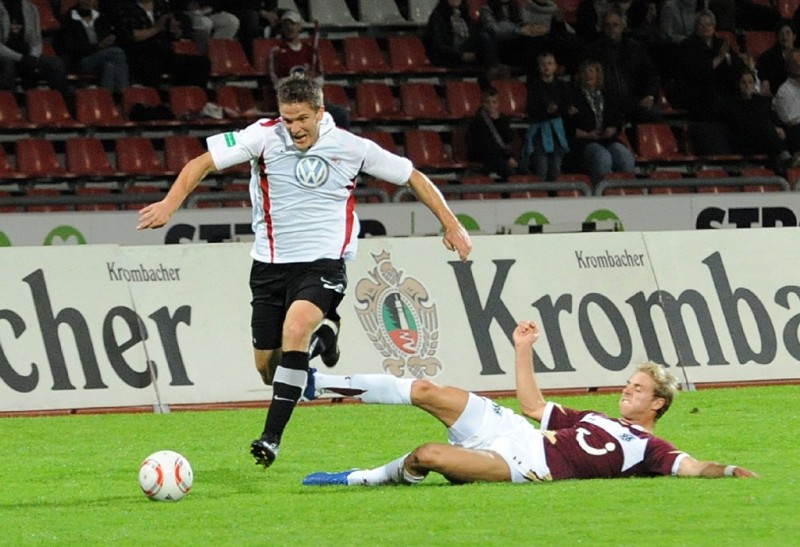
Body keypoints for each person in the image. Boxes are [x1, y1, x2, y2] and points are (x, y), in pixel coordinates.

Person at [136, 74, 473, 469]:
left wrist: (451, 224)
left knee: (295, 329)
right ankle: (325, 338)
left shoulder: (351, 147)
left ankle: (271, 437)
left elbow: (412, 176)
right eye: (287, 119)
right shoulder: (263, 136)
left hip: (323, 262)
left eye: (301, 119)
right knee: (269, 370)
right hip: (269, 266)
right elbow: (202, 163)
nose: (294, 128)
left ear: (319, 112)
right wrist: (169, 204)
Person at [301, 320, 758, 486]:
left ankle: (362, 478)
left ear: (658, 405)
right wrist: (523, 349)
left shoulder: (649, 449)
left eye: (637, 389)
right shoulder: (595, 416)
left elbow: (692, 467)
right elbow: (533, 406)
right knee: (426, 390)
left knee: (428, 455)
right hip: (514, 431)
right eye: (628, 384)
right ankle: (315, 383)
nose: (626, 391)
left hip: (524, 463)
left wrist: (728, 470)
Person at [268, 10, 350, 129]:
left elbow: (320, 79)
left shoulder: (310, 51)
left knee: (341, 114)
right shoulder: (277, 52)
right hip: (290, 102)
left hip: (310, 101)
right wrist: (301, 80)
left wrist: (311, 80)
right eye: (286, 25)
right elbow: (278, 84)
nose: (289, 28)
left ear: (299, 27)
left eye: (293, 24)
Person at [584, 9, 662, 123]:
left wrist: (650, 96)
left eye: (615, 25)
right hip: (604, 101)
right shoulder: (593, 51)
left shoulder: (635, 48)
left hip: (632, 99)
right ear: (602, 28)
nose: (611, 29)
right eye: (607, 25)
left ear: (623, 27)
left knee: (653, 113)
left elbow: (650, 74)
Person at [114, 0, 211, 88]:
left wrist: (176, 31)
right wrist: (156, 28)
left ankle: (190, 96)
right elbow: (130, 36)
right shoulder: (124, 7)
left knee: (200, 63)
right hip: (139, 54)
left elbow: (171, 31)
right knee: (152, 65)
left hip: (164, 53)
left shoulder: (162, 5)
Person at [567, 59, 635, 184]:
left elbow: (617, 120)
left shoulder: (608, 95)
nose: (588, 75)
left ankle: (626, 189)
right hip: (583, 142)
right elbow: (567, 126)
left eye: (591, 71)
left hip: (607, 139)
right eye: (585, 72)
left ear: (598, 75)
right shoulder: (572, 96)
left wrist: (613, 129)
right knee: (602, 157)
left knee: (625, 156)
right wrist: (587, 135)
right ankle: (603, 190)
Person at [56, 0, 129, 95]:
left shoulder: (100, 17)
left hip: (102, 57)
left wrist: (109, 40)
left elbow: (107, 36)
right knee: (118, 53)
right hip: (79, 61)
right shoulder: (68, 20)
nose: (88, 1)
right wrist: (99, 46)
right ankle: (124, 93)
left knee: (109, 66)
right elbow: (72, 48)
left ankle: (107, 98)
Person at [722, 68, 790, 169]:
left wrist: (780, 128)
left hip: (764, 137)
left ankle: (781, 162)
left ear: (754, 84)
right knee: (766, 125)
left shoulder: (761, 101)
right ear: (738, 84)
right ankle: (783, 156)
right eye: (743, 82)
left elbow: (773, 116)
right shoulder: (732, 103)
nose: (747, 85)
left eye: (750, 82)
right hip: (744, 140)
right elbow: (740, 123)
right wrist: (772, 129)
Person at [0, 0, 69, 96]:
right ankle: (7, 100)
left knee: (56, 64)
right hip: (5, 56)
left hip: (27, 55)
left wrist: (33, 56)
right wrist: (21, 58)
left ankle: (60, 100)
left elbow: (36, 40)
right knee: (8, 64)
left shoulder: (31, 9)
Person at [523, 51, 573, 180]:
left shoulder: (562, 86)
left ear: (555, 66)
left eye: (550, 63)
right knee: (542, 166)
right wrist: (547, 111)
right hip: (540, 131)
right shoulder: (534, 87)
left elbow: (568, 106)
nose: (546, 67)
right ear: (539, 67)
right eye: (543, 64)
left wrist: (558, 110)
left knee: (556, 166)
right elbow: (531, 109)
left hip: (557, 131)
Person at [424, 0, 502, 78]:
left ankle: (494, 67)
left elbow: (472, 33)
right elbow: (438, 45)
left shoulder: (464, 14)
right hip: (449, 55)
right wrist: (461, 55)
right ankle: (493, 69)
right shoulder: (438, 16)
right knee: (483, 37)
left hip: (466, 50)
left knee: (489, 32)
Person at [466, 85, 521, 180]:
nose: (491, 105)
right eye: (487, 102)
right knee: (508, 171)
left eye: (494, 102)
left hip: (500, 154)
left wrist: (499, 122)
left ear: (498, 103)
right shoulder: (478, 121)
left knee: (522, 168)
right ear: (482, 103)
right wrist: (507, 157)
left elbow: (508, 138)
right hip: (483, 155)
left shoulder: (503, 118)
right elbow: (486, 145)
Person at [172, 0, 240, 55]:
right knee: (205, 23)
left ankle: (217, 55)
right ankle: (203, 55)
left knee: (231, 21)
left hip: (208, 11)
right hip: (186, 12)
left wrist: (210, 8)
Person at [757, 19, 797, 98]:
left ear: (794, 36)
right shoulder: (766, 58)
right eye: (781, 33)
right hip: (777, 97)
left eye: (788, 33)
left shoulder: (798, 55)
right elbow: (765, 84)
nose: (784, 36)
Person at [772, 48, 800, 156]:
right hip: (794, 134)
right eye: (795, 62)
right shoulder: (784, 91)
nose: (799, 64)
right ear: (788, 65)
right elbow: (791, 122)